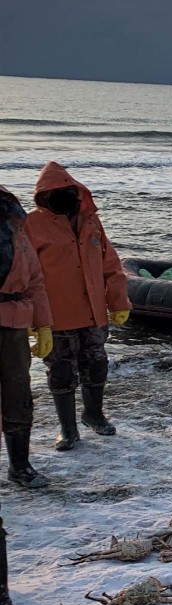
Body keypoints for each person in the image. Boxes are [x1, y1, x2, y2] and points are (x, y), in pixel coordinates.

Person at [25, 162, 130, 451]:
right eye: (56, 192)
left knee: (97, 364)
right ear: (44, 196)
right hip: (55, 315)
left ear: (77, 192)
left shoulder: (92, 221)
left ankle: (93, 415)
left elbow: (111, 264)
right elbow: (26, 276)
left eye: (69, 191)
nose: (64, 196)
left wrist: (119, 301)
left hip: (93, 312)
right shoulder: (31, 224)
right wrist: (35, 322)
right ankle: (67, 428)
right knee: (60, 370)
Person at [0, 186, 53, 488]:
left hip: (15, 325)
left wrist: (43, 324)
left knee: (18, 396)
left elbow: (35, 280)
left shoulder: (18, 231)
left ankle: (20, 466)